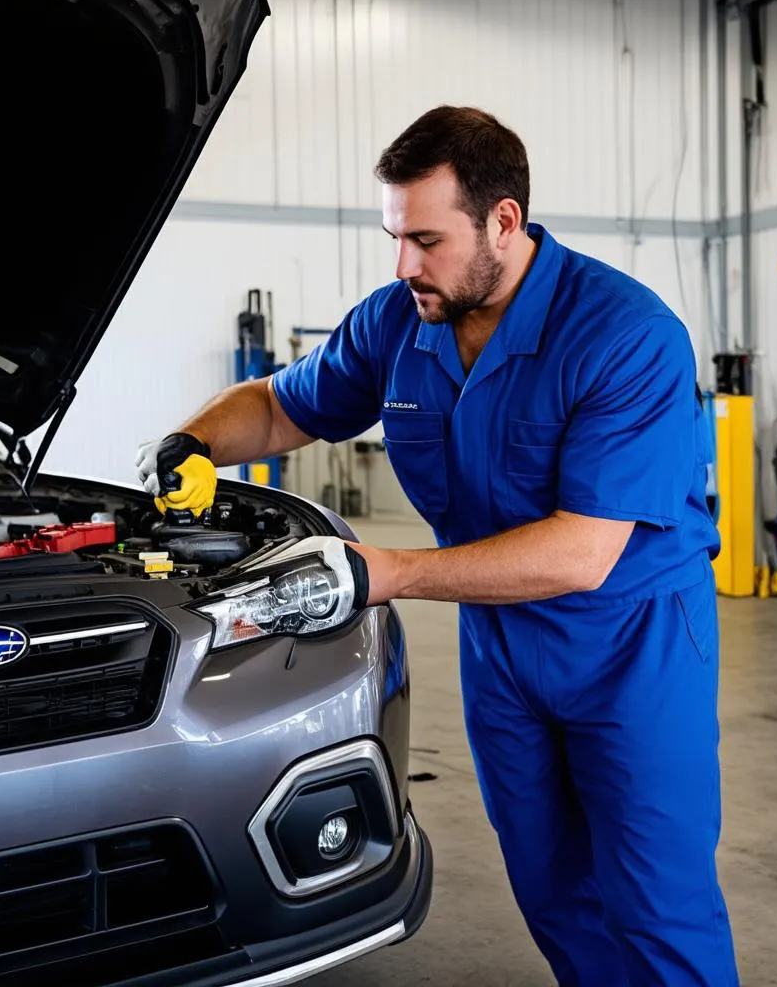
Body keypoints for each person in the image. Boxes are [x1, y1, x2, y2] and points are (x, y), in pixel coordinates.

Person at [136, 105, 739, 987]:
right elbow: (276, 406)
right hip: (503, 648)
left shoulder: (626, 334)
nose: (405, 265)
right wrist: (189, 444)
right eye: (394, 237)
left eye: (426, 239)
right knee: (549, 886)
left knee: (657, 897)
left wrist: (388, 574)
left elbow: (581, 554)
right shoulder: (398, 323)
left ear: (504, 220)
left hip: (633, 647)